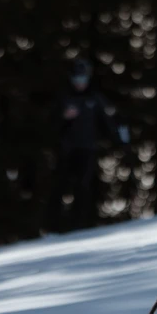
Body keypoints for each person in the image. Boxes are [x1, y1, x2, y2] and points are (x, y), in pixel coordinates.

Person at [47, 58, 129, 233]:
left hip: (87, 149)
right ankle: (55, 227)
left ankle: (80, 226)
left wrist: (121, 141)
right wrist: (63, 118)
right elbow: (50, 126)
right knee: (61, 186)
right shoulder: (64, 98)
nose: (79, 83)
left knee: (83, 187)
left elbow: (108, 123)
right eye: (76, 79)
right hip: (67, 149)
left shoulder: (95, 99)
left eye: (82, 79)